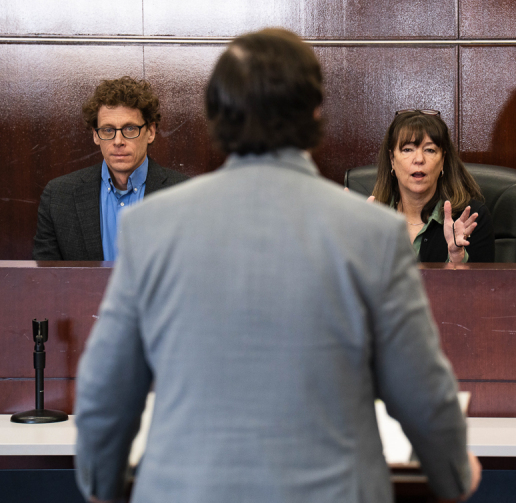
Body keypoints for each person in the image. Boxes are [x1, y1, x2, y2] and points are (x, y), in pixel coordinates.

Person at [74, 29, 480, 503]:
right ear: (314, 114)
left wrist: (101, 484)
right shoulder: (373, 232)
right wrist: (454, 474)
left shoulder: (150, 228)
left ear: (216, 115)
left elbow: (106, 393)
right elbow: (421, 393)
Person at [32, 77, 188, 261]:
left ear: (151, 132)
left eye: (130, 128)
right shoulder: (58, 196)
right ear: (95, 135)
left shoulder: (186, 196)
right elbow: (47, 281)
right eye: (107, 130)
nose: (118, 141)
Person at [372, 110, 494, 263]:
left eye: (429, 150)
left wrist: (456, 258)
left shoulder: (471, 218)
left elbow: (482, 286)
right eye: (407, 149)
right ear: (392, 159)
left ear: (443, 159)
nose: (419, 159)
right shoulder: (369, 219)